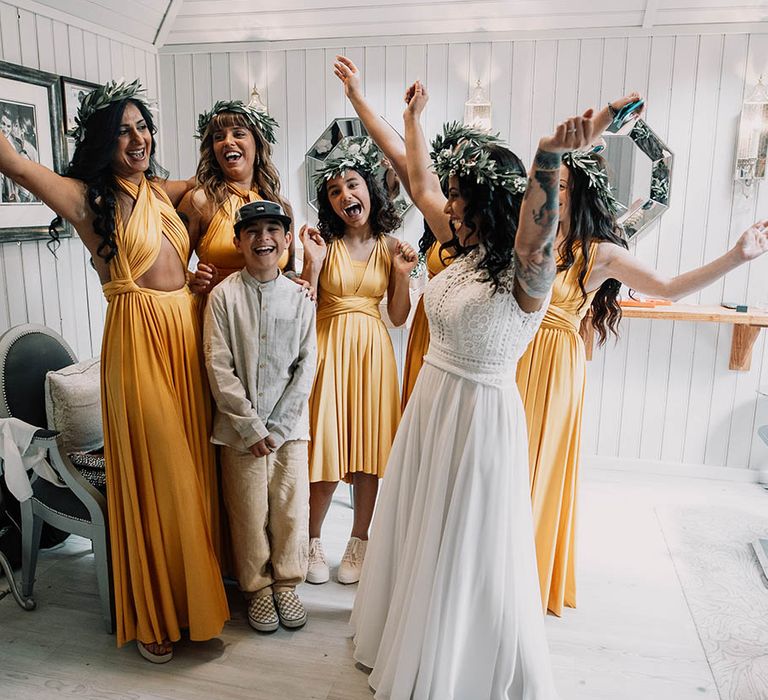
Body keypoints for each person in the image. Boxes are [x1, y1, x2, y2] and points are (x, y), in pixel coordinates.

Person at [350, 79, 607, 699]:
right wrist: (410, 118)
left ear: (492, 202)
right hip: (432, 404)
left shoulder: (529, 272)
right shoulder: (462, 248)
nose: (451, 209)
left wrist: (548, 155)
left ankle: (458, 660)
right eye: (454, 199)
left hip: (481, 413)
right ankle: (404, 636)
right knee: (421, 525)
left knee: (468, 543)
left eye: (463, 199)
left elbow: (537, 232)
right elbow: (416, 183)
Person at [0, 79, 229, 663]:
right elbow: (16, 166)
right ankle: (153, 610)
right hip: (137, 343)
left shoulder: (160, 192)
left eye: (142, 126)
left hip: (185, 335)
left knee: (195, 466)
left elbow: (216, 186)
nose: (138, 138)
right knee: (161, 472)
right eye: (124, 130)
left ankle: (196, 601)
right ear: (104, 140)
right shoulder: (86, 199)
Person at [518, 125, 768, 616]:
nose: (548, 193)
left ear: (580, 193)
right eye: (545, 184)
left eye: (561, 187)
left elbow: (669, 287)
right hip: (512, 355)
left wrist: (737, 256)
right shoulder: (525, 239)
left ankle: (526, 575)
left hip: (555, 365)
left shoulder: (599, 252)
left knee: (537, 466)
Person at [299, 136, 417, 585]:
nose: (346, 195)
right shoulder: (321, 244)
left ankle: (359, 541)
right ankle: (310, 540)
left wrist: (402, 277)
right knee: (325, 456)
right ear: (329, 204)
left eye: (352, 184)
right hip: (328, 351)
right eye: (334, 191)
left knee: (368, 458)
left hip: (373, 355)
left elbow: (399, 315)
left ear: (369, 187)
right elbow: (303, 312)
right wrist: (310, 266)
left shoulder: (390, 248)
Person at [203, 200, 316, 634]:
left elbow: (307, 366)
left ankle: (287, 581)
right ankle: (257, 588)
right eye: (252, 231)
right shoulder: (223, 298)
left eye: (273, 230)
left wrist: (280, 427)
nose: (263, 238)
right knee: (248, 512)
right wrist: (251, 426)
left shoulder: (301, 298)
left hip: (290, 432)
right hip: (238, 433)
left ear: (287, 240)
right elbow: (219, 366)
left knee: (290, 509)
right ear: (238, 241)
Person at [333, 55, 455, 409]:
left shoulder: (489, 238)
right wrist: (406, 117)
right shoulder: (446, 223)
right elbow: (406, 163)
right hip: (428, 338)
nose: (455, 199)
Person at [178, 100, 296, 291]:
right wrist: (193, 279)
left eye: (239, 133)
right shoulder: (199, 201)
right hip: (215, 311)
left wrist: (298, 279)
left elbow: (289, 270)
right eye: (219, 137)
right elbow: (173, 264)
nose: (228, 141)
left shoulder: (280, 205)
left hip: (269, 314)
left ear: (257, 143)